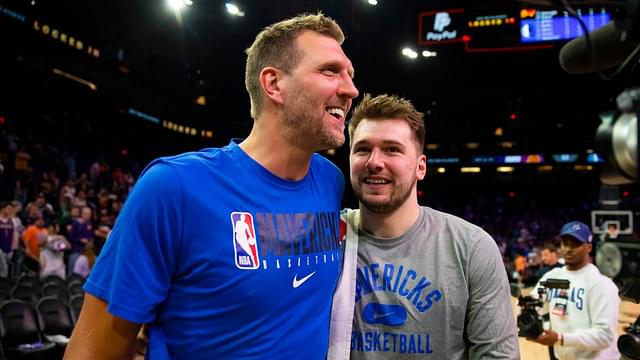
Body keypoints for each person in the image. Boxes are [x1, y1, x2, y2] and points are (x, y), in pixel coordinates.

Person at [65, 12, 358, 359]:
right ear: (274, 84)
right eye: (330, 71)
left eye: (350, 76)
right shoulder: (173, 188)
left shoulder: (330, 180)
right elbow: (94, 350)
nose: (351, 90)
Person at [329, 94, 519, 359]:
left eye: (392, 149)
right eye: (362, 149)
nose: (374, 162)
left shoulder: (471, 248)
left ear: (420, 167)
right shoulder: (324, 238)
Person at [528, 221, 620, 359]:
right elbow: (534, 304)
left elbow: (605, 336)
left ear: (588, 247)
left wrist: (561, 338)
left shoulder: (601, 285)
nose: (568, 249)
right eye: (565, 243)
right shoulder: (552, 277)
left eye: (575, 244)